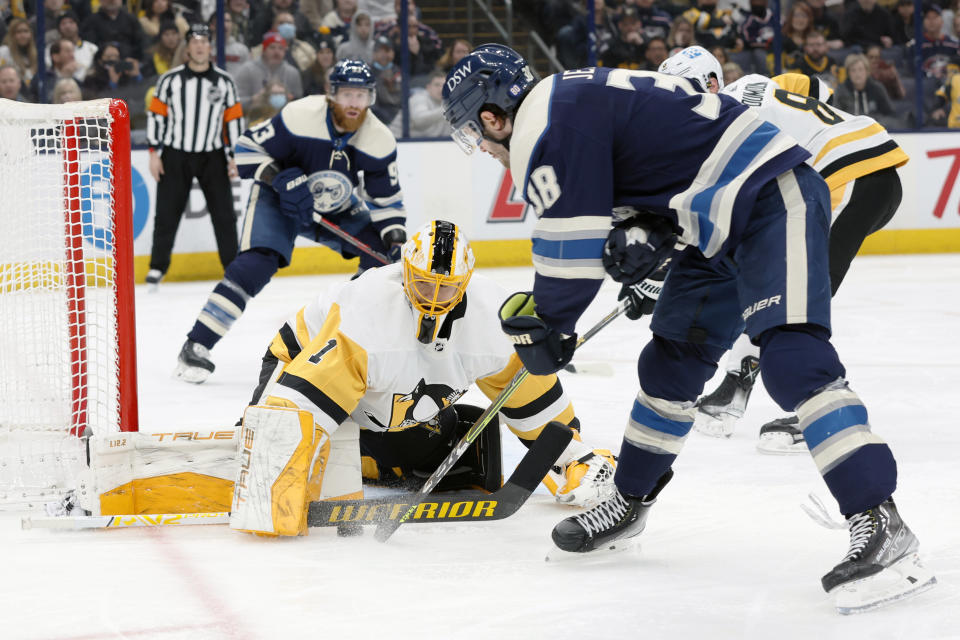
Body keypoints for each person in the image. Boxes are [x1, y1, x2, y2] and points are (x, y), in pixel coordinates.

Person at [442, 44, 934, 611]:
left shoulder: (543, 124)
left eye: (474, 134)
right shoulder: (566, 99)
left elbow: (569, 244)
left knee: (793, 360)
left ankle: (879, 517)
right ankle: (629, 501)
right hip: (715, 219)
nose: (481, 148)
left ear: (490, 115)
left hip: (774, 199)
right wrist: (649, 230)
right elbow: (663, 162)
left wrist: (550, 326)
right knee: (671, 360)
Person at [230, 220, 620, 536]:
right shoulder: (365, 321)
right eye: (423, 284)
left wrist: (573, 458)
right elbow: (306, 397)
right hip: (301, 358)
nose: (433, 297)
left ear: (465, 281)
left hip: (392, 402)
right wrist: (270, 464)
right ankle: (254, 442)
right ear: (405, 274)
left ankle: (366, 452)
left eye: (446, 286)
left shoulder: (490, 321)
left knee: (416, 459)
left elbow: (531, 400)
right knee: (287, 452)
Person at [658, 47, 908, 454]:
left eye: (684, 92)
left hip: (844, 179)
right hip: (870, 170)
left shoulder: (722, 118)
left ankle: (818, 407)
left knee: (798, 299)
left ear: (712, 85)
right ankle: (736, 387)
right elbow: (815, 90)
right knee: (779, 285)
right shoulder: (759, 85)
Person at [176, 59, 407, 383]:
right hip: (279, 198)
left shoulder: (379, 139)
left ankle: (343, 340)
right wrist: (278, 177)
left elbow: (386, 200)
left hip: (334, 204)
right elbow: (246, 147)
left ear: (371, 98)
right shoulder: (300, 116)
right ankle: (197, 344)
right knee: (255, 265)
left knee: (381, 258)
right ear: (332, 95)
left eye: (361, 96)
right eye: (347, 95)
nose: (354, 104)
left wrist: (395, 238)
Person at [145, 24, 243, 289]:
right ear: (187, 47)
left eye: (204, 41)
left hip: (213, 156)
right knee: (166, 213)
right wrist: (155, 152)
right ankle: (157, 267)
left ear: (210, 47)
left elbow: (233, 121)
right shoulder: (169, 80)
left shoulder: (224, 82)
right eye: (194, 41)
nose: (200, 45)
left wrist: (236, 156)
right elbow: (157, 117)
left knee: (224, 215)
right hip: (176, 154)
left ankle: (232, 268)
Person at [234, 31, 304, 112]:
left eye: (281, 48)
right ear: (264, 50)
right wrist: (253, 100)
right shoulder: (247, 70)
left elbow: (299, 102)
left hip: (283, 118)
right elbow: (235, 102)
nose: (276, 52)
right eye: (272, 47)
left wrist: (289, 100)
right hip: (253, 118)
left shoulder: (293, 72)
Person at [389, 67, 448, 137]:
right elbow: (419, 120)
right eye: (437, 85)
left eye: (444, 86)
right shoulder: (418, 97)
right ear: (428, 87)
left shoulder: (445, 103)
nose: (441, 89)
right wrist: (447, 109)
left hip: (421, 144)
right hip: (395, 140)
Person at [835, 52, 896, 119]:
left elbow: (890, 114)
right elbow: (836, 115)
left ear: (867, 71)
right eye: (853, 70)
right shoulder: (841, 90)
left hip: (874, 127)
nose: (857, 74)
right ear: (848, 74)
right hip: (850, 128)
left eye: (860, 69)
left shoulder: (877, 88)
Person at [0, 17, 38, 84]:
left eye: (26, 31)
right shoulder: (4, 52)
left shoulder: (36, 53)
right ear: (12, 35)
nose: (23, 35)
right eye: (19, 32)